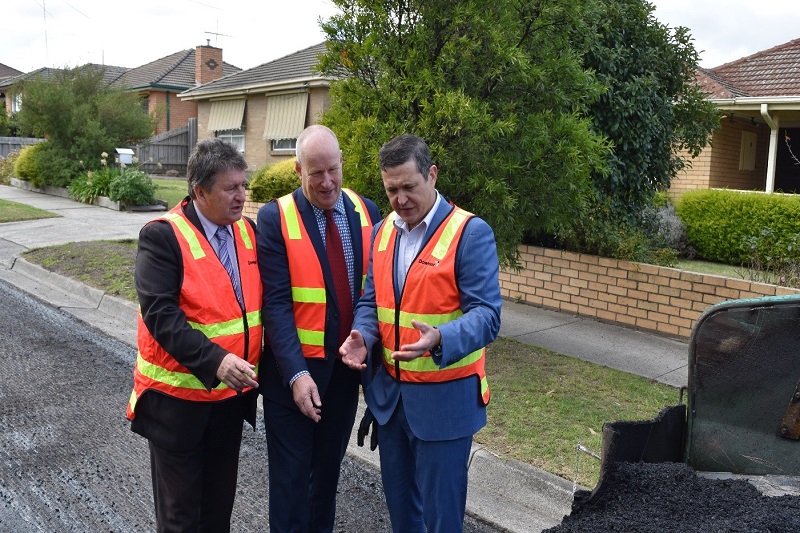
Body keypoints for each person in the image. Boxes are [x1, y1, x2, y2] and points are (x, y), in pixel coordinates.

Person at [339, 134, 502, 533]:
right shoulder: (382, 233)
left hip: (444, 404)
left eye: (409, 186)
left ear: (431, 175)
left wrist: (441, 338)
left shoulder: (470, 233)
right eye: (391, 189)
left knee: (441, 520)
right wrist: (363, 333)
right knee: (403, 516)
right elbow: (370, 300)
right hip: (391, 403)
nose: (400, 198)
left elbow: (487, 316)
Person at [126, 138, 262, 532]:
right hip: (177, 407)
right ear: (199, 192)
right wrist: (217, 360)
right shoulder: (163, 236)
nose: (241, 196)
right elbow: (161, 315)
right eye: (230, 188)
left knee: (217, 514)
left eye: (243, 185)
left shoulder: (246, 233)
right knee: (181, 519)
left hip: (228, 404)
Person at [255, 124, 381, 532]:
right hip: (291, 379)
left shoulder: (368, 211)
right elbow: (274, 305)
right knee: (291, 489)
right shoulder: (275, 218)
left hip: (344, 378)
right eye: (315, 173)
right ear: (297, 171)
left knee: (325, 484)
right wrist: (295, 374)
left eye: (333, 170)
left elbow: (375, 293)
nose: (327, 182)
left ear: (343, 163)